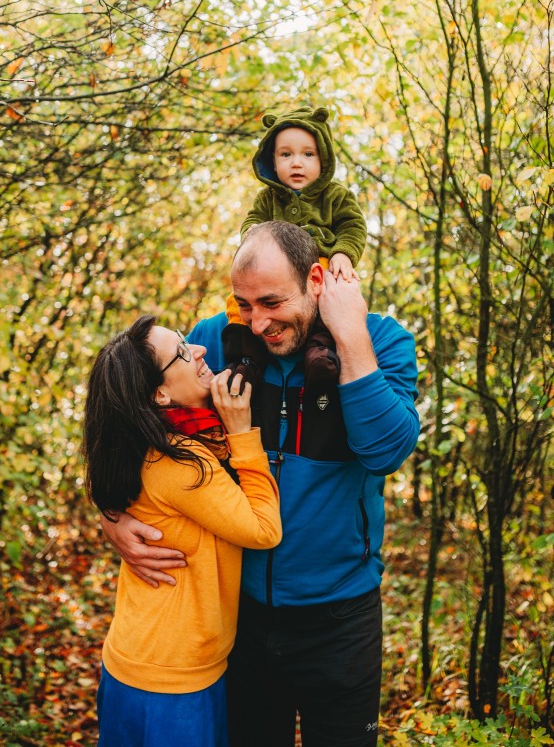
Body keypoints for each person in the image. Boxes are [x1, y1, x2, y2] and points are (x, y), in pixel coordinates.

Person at [104, 222, 419, 747]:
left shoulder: (381, 341)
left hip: (340, 615)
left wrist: (350, 335)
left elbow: (386, 450)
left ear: (316, 279)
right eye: (245, 304)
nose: (258, 322)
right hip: (238, 615)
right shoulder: (216, 341)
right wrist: (112, 511)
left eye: (272, 302)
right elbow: (125, 406)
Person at [83, 315, 282, 747]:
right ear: (159, 393)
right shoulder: (182, 461)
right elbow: (264, 530)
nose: (202, 351)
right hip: (173, 679)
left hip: (134, 660)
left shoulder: (139, 440)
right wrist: (243, 434)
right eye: (183, 352)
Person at [222, 106, 367, 397]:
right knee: (237, 305)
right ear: (272, 161)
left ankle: (321, 355)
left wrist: (343, 253)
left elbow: (352, 225)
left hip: (323, 263)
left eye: (307, 155)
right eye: (286, 155)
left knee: (332, 300)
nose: (296, 163)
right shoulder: (268, 198)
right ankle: (246, 359)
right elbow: (253, 221)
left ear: (323, 159)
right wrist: (252, 235)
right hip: (275, 274)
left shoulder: (335, 196)